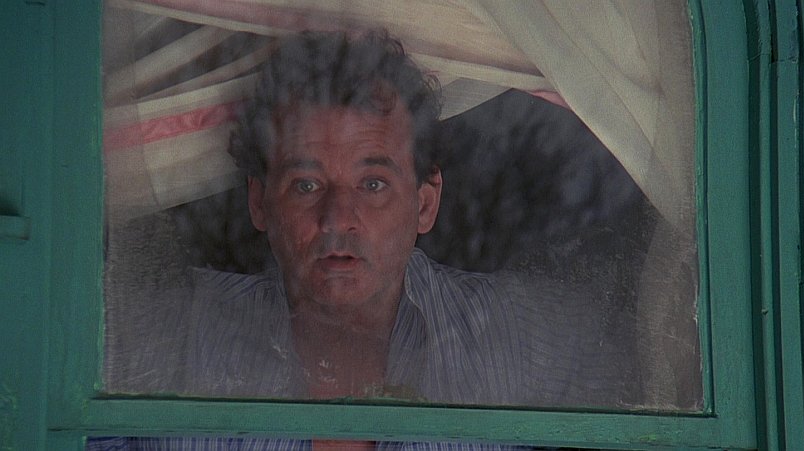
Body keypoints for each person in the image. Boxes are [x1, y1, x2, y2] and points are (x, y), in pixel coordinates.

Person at [90, 30, 638, 451]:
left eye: (373, 184)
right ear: (259, 202)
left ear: (425, 202)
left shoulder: (527, 342)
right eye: (306, 185)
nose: (338, 218)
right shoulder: (169, 337)